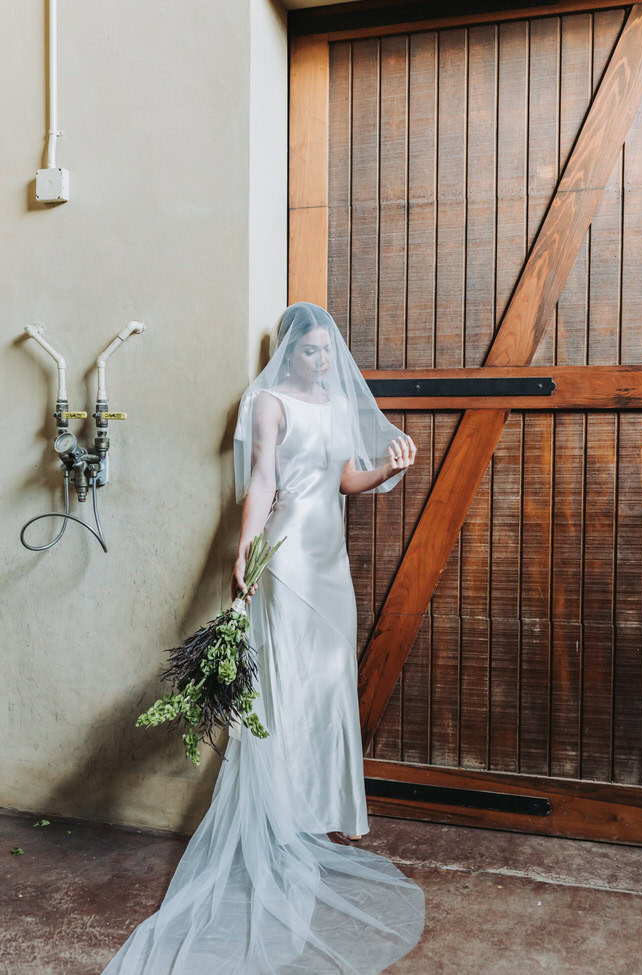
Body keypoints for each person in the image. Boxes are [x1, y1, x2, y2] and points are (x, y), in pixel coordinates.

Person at [101, 302, 425, 974]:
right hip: (289, 556)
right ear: (287, 353)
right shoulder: (271, 403)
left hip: (329, 562)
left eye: (327, 349)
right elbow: (262, 482)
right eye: (310, 350)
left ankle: (323, 807)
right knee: (282, 683)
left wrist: (391, 466)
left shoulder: (336, 401)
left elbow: (344, 481)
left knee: (328, 678)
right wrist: (243, 553)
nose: (322, 359)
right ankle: (280, 816)